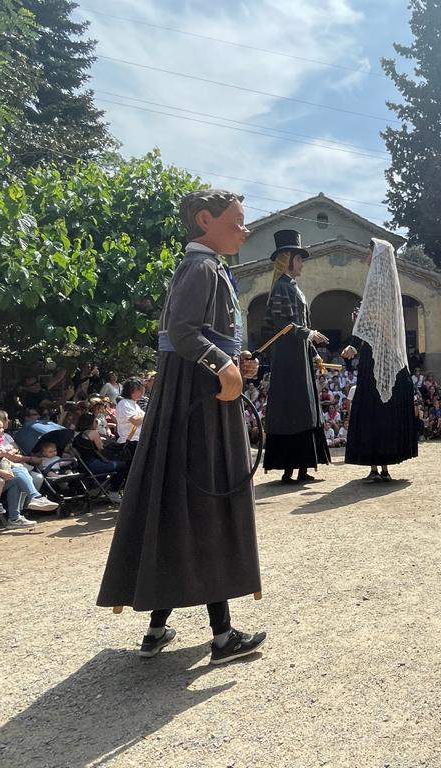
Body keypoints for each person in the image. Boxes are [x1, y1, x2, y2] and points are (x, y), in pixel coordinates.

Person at [97, 189, 265, 665]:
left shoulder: (207, 268)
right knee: (209, 498)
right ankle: (222, 637)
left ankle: (156, 629)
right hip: (200, 402)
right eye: (237, 221)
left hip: (193, 394)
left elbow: (199, 336)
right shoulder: (201, 268)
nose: (245, 229)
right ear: (205, 220)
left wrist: (237, 361)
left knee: (180, 503)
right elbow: (187, 332)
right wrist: (222, 365)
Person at [341, 239, 419, 482]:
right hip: (386, 354)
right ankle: (382, 466)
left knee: (373, 410)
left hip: (375, 356)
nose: (366, 255)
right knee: (383, 410)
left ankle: (377, 466)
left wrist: (355, 336)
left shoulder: (376, 284)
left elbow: (372, 322)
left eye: (369, 250)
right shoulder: (386, 286)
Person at [261, 229, 330, 484]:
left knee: (305, 409)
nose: (301, 263)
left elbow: (299, 324)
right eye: (298, 258)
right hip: (288, 360)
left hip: (300, 357)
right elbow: (283, 324)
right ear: (287, 259)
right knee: (291, 409)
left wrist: (313, 353)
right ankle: (289, 469)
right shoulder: (281, 288)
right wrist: (309, 334)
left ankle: (302, 468)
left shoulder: (295, 289)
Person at [73, 412, 126, 504]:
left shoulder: (76, 435)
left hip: (83, 466)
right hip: (94, 465)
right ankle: (114, 491)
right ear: (90, 422)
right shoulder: (93, 433)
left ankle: (103, 487)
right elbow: (101, 448)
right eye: (95, 421)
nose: (96, 423)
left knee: (115, 464)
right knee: (122, 465)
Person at [114, 378, 145, 459]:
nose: (142, 392)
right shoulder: (124, 403)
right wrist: (150, 412)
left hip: (137, 442)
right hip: (129, 443)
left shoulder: (135, 405)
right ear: (133, 390)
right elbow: (136, 421)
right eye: (140, 390)